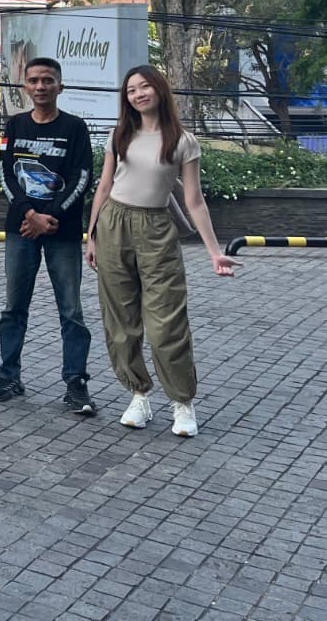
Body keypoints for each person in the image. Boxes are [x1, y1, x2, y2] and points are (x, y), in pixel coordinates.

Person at [87, 65, 239, 437]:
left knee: (166, 322)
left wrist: (213, 251)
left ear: (159, 90)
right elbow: (104, 187)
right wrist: (91, 237)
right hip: (113, 226)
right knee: (120, 323)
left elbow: (194, 201)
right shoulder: (119, 134)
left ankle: (183, 403)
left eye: (144, 87)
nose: (138, 94)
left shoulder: (182, 140)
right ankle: (139, 394)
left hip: (156, 228)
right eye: (131, 90)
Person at [0, 56, 97, 415]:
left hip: (62, 233)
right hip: (22, 230)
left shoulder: (75, 128)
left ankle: (75, 383)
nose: (40, 86)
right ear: (25, 87)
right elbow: (5, 176)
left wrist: (50, 216)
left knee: (71, 311)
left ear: (60, 86)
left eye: (47, 80)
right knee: (14, 308)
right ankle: (8, 376)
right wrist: (31, 214)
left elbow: (82, 178)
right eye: (33, 80)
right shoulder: (15, 125)